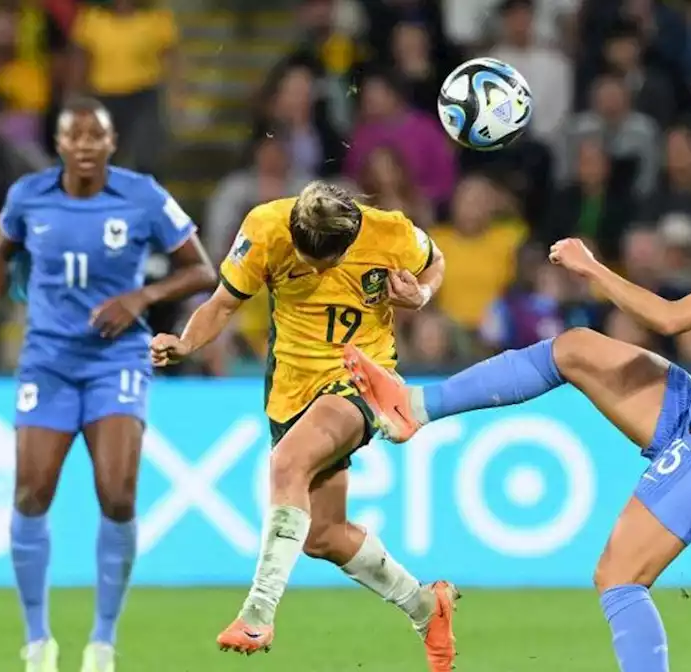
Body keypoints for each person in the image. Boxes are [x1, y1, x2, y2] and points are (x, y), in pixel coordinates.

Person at [346, 145, 691, 672]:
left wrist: (590, 268)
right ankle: (413, 405)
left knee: (619, 578)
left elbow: (670, 319)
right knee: (574, 348)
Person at [146, 182, 459, 671]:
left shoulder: (392, 232)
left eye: (326, 261)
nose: (315, 270)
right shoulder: (265, 228)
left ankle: (258, 610)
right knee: (323, 536)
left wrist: (420, 293)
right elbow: (222, 304)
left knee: (286, 463)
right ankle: (425, 606)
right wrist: (186, 344)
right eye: (307, 259)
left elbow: (436, 262)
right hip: (291, 389)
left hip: (363, 376)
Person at [0, 97, 216, 672]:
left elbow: (202, 268)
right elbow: (0, 256)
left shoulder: (142, 194)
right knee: (31, 493)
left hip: (115, 359)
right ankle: (37, 640)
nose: (86, 146)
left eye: (96, 136)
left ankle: (102, 641)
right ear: (60, 144)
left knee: (117, 495)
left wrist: (140, 298)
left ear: (112, 141)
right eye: (75, 137)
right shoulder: (28, 196)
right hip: (47, 360)